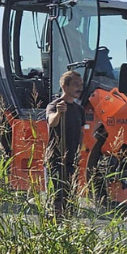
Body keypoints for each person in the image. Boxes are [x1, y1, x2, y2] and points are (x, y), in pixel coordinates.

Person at [45, 70, 84, 218]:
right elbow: (51, 122)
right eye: (76, 85)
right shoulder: (54, 105)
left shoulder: (79, 109)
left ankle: (67, 231)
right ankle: (52, 230)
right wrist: (59, 113)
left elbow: (81, 133)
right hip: (55, 159)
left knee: (70, 200)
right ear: (64, 86)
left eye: (81, 85)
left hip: (71, 160)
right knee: (56, 199)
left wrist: (80, 151)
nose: (80, 88)